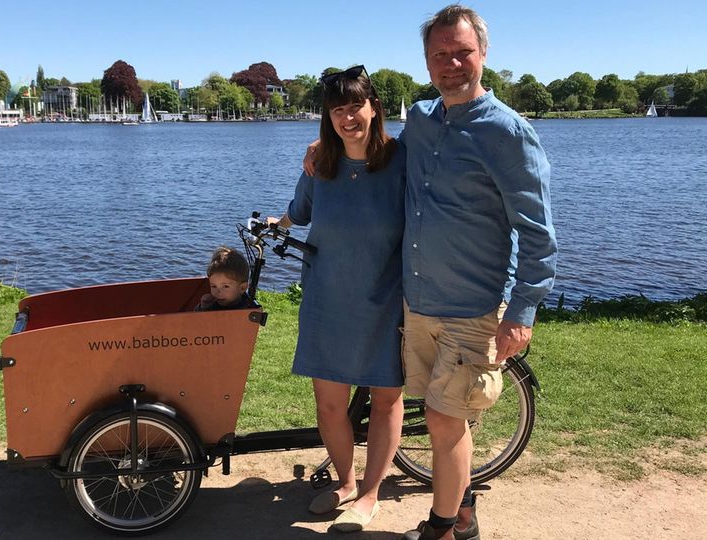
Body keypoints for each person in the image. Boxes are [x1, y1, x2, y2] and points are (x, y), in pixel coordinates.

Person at [304, 6, 558, 539]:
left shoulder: (509, 133)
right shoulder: (422, 119)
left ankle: (446, 527)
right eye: (440, 54)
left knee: (444, 421)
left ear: (483, 54)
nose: (452, 63)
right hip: (416, 304)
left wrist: (521, 310)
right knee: (445, 417)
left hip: (472, 304)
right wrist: (324, 148)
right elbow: (376, 149)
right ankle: (461, 509)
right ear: (426, 61)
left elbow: (538, 234)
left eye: (462, 51)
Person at [273, 65, 406, 533]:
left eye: (355, 106)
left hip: (385, 299)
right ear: (327, 118)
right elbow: (299, 212)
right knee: (329, 402)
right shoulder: (320, 164)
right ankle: (347, 482)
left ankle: (371, 493)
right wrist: (278, 225)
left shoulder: (400, 159)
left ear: (374, 108)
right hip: (327, 296)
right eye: (337, 110)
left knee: (387, 399)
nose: (348, 117)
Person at [195, 246, 255, 311]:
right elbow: (195, 319)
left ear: (242, 288)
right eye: (214, 286)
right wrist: (203, 307)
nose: (218, 292)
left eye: (226, 286)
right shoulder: (212, 304)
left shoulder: (247, 309)